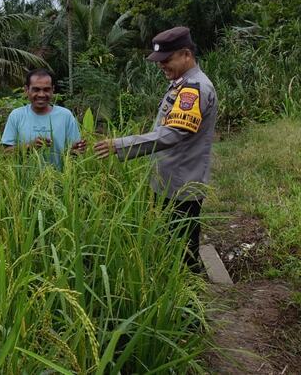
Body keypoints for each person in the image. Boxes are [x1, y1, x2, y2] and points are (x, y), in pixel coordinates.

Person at [93, 26, 217, 271]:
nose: (161, 65)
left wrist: (119, 145)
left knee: (183, 253)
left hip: (182, 186)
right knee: (171, 245)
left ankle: (187, 303)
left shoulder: (194, 88)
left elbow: (171, 134)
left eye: (167, 59)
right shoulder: (181, 83)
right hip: (168, 181)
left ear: (186, 54)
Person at [1, 68, 86, 168]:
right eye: (36, 89)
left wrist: (77, 150)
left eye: (46, 89)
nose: (41, 95)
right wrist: (29, 146)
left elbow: (73, 154)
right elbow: (5, 153)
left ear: (53, 90)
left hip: (60, 181)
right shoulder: (16, 115)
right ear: (26, 90)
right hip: (22, 182)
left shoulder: (65, 116)